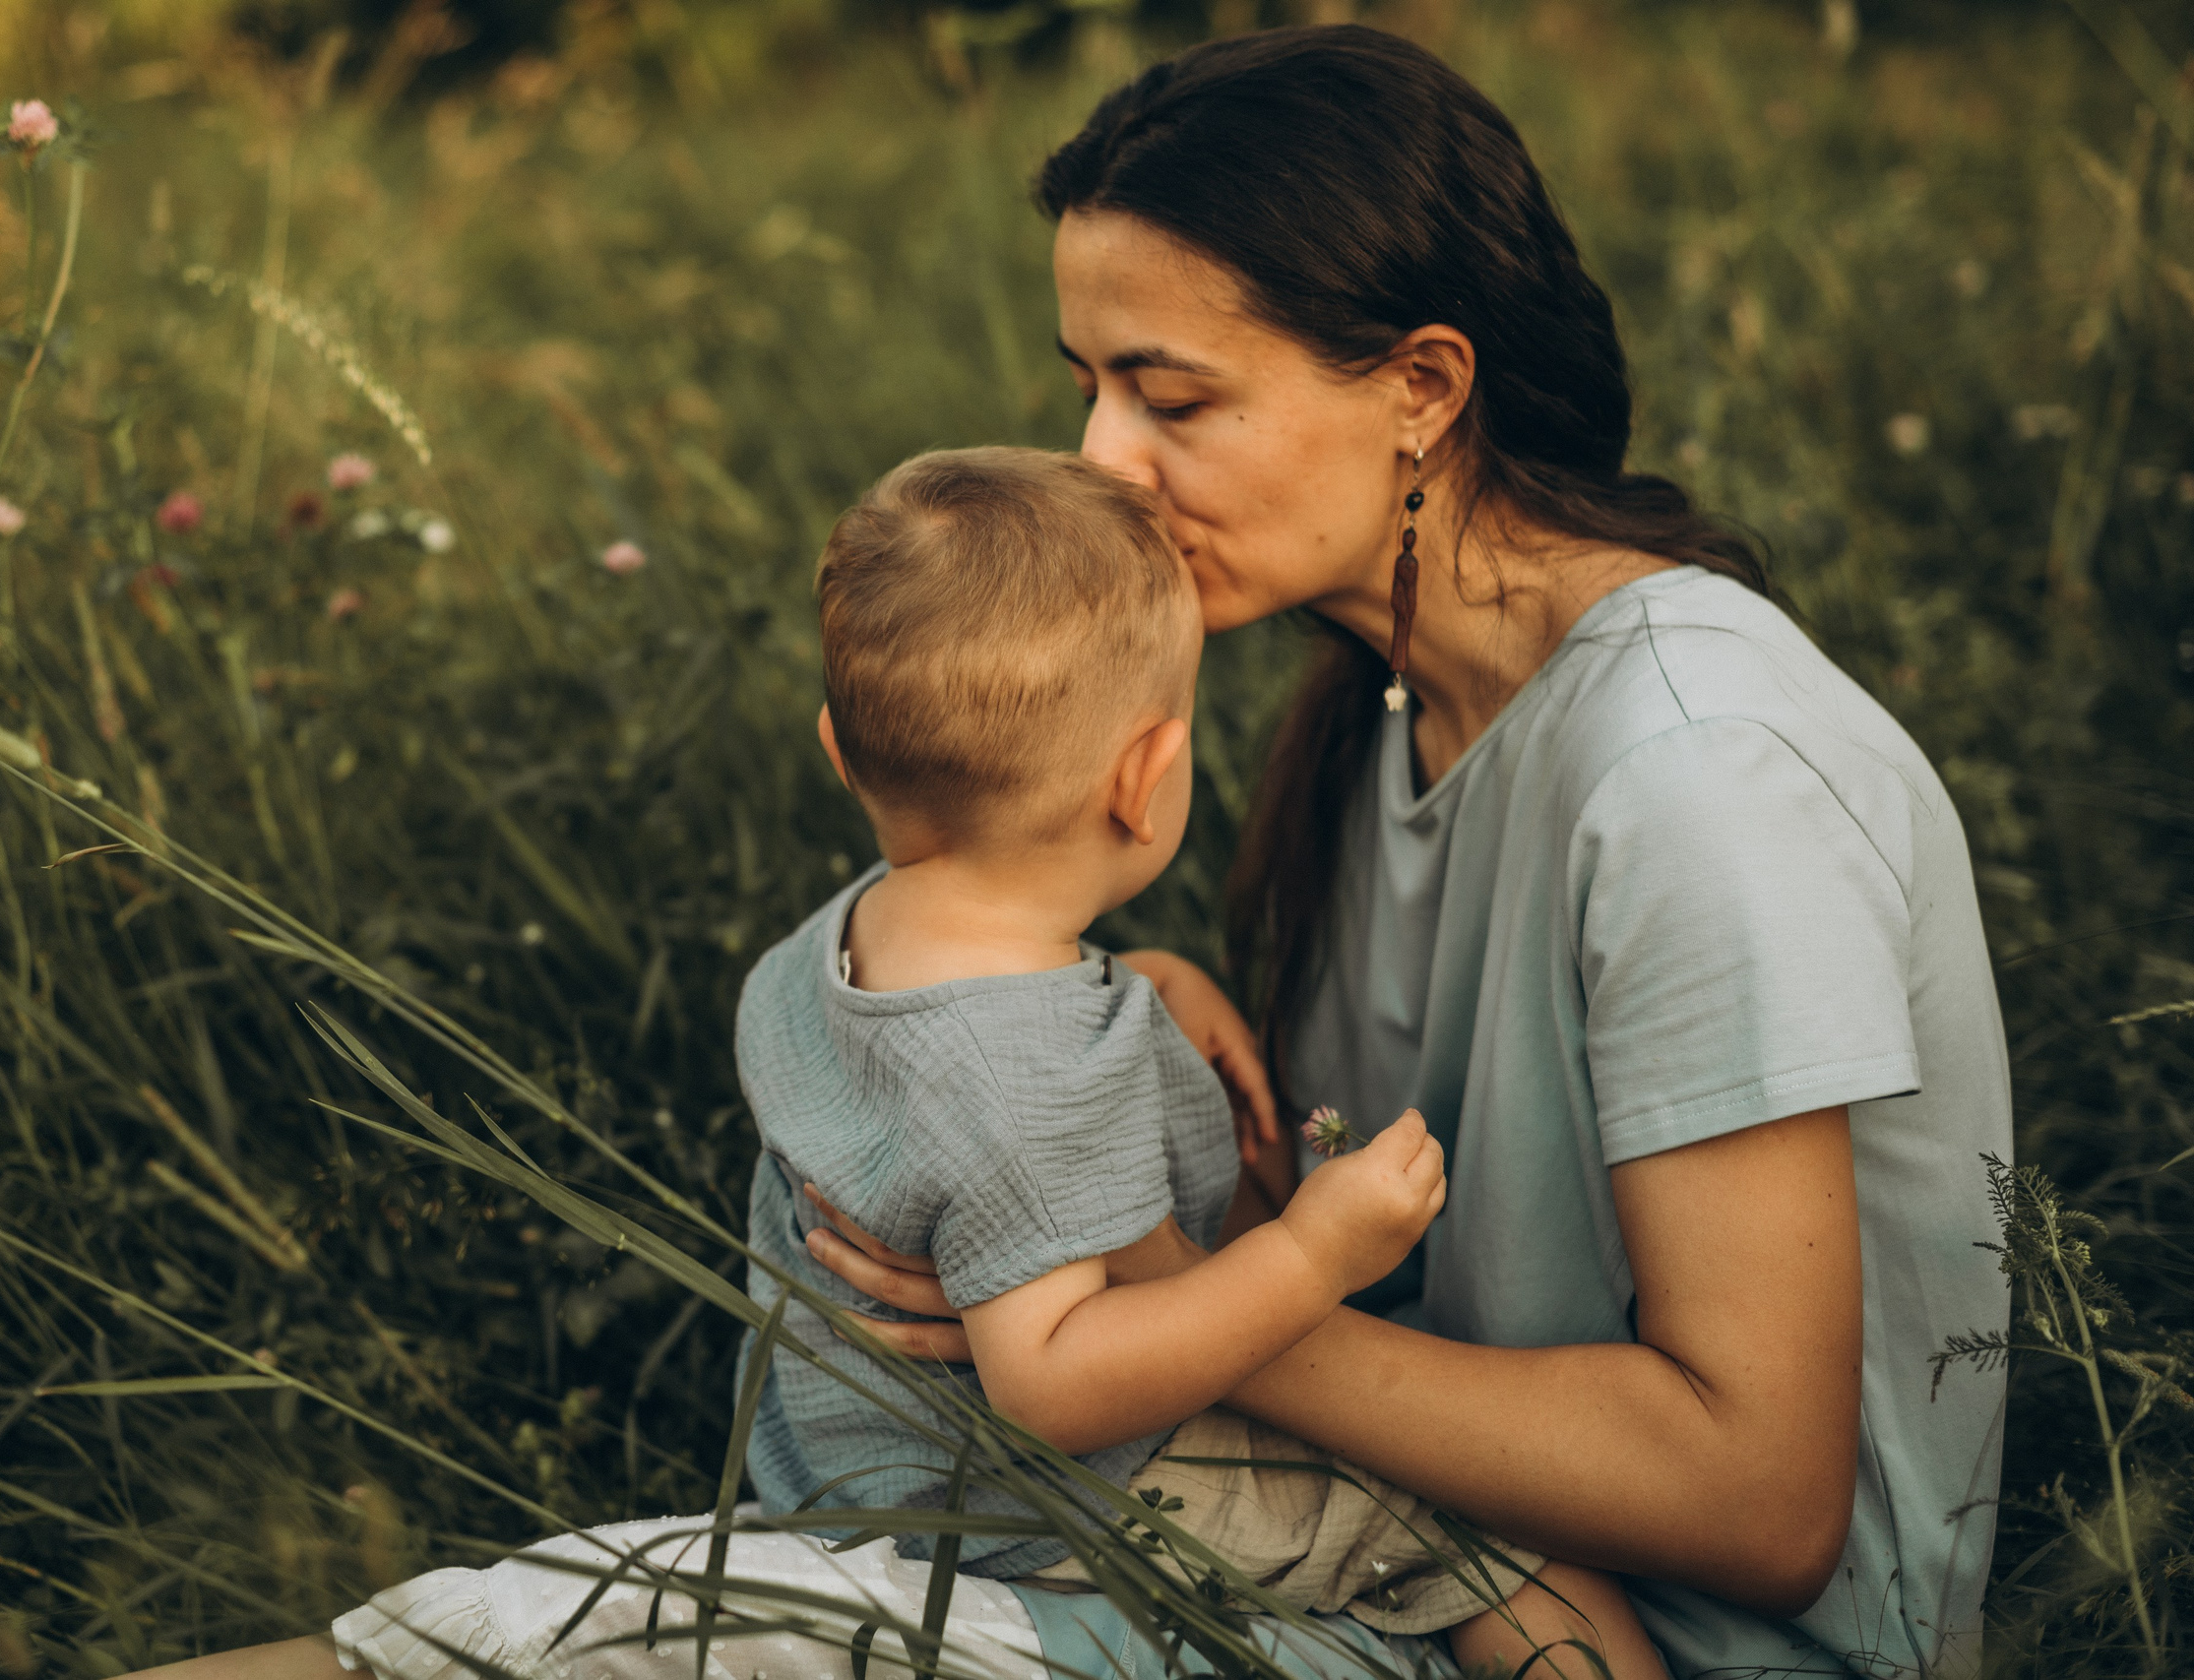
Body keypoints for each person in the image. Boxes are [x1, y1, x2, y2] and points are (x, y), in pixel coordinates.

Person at [800, 23, 2012, 1680]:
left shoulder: (1697, 778)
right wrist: (1118, 1021)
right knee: (627, 1615)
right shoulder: (1388, 700)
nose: (1103, 468)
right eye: (1089, 391)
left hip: (1646, 1645)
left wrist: (1178, 1311)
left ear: (1423, 391)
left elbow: (1758, 1493)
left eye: (1173, 397)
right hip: (1377, 1563)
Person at [731, 444, 1663, 1678]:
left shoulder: (832, 947)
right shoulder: (1035, 1077)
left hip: (841, 1447)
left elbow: (957, 1076)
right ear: (1146, 779)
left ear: (839, 752)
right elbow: (1053, 1387)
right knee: (1508, 1544)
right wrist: (1309, 1255)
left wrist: (1146, 983)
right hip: (1028, 1498)